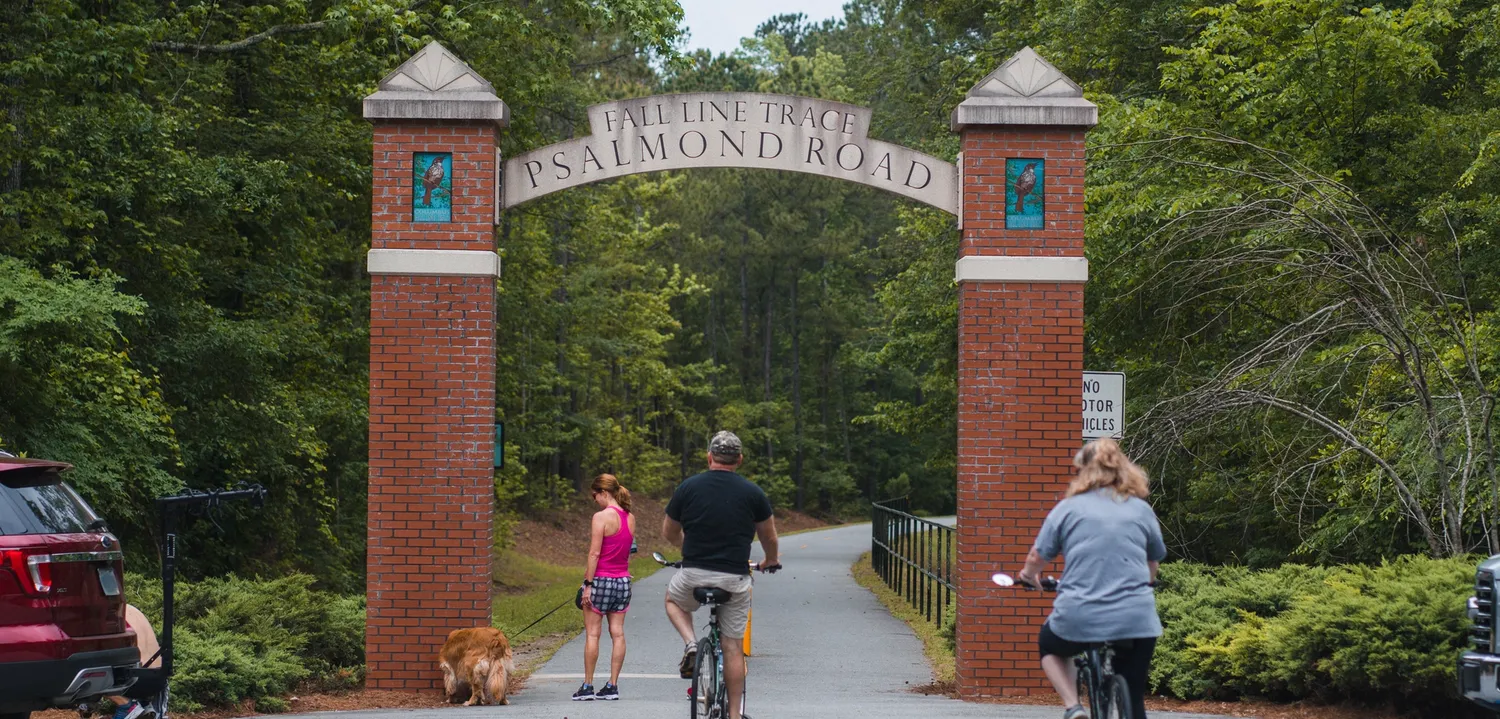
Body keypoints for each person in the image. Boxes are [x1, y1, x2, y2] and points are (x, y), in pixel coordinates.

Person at [1018, 437, 1166, 719]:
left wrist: (1028, 577)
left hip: (1079, 614)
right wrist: (1144, 584)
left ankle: (1073, 707)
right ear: (1124, 469)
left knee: (1049, 644)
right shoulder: (1140, 509)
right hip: (1135, 618)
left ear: (1083, 470)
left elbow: (1037, 557)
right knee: (1134, 701)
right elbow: (1153, 560)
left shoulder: (1068, 509)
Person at [662, 431, 780, 719]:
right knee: (732, 646)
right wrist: (770, 560)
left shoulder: (688, 488)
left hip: (692, 574)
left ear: (709, 456)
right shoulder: (753, 493)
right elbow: (769, 537)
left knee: (672, 601)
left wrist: (686, 549)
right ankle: (735, 715)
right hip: (734, 578)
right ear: (739, 459)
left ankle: (691, 644)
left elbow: (668, 531)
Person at [573, 473, 637, 701]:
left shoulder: (601, 517)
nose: (594, 500)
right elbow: (628, 550)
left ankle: (588, 686)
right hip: (623, 582)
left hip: (601, 580)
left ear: (603, 493)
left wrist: (588, 584)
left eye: (594, 495)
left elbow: (594, 553)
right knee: (618, 634)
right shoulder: (630, 517)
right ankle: (612, 685)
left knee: (593, 633)